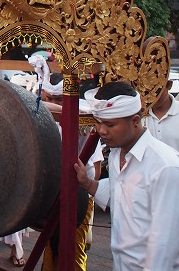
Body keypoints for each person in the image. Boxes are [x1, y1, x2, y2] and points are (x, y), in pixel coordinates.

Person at [74, 81, 179, 270]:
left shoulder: (165, 167)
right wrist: (87, 182)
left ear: (135, 121)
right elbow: (119, 195)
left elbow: (164, 246)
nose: (101, 130)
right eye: (98, 123)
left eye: (110, 124)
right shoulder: (116, 156)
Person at [142, 77, 179, 151]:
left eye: (156, 90)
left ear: (169, 85)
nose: (151, 96)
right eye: (146, 91)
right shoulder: (138, 116)